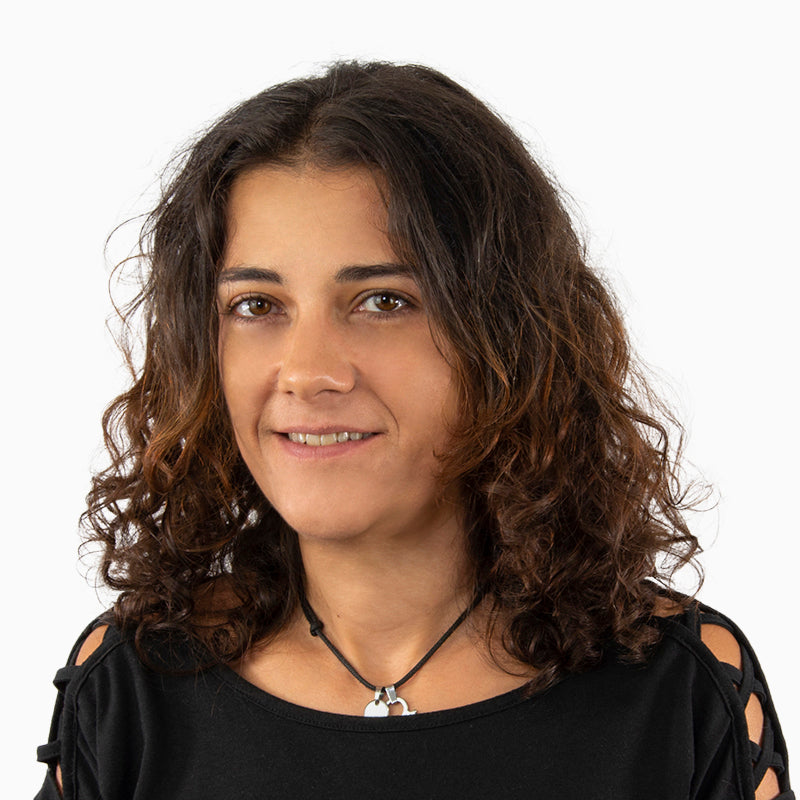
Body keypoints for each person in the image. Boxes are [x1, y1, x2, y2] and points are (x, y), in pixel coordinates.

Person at [36, 61, 792, 799]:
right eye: (257, 306)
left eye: (383, 301)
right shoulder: (132, 686)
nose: (307, 372)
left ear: (505, 341)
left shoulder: (678, 689)